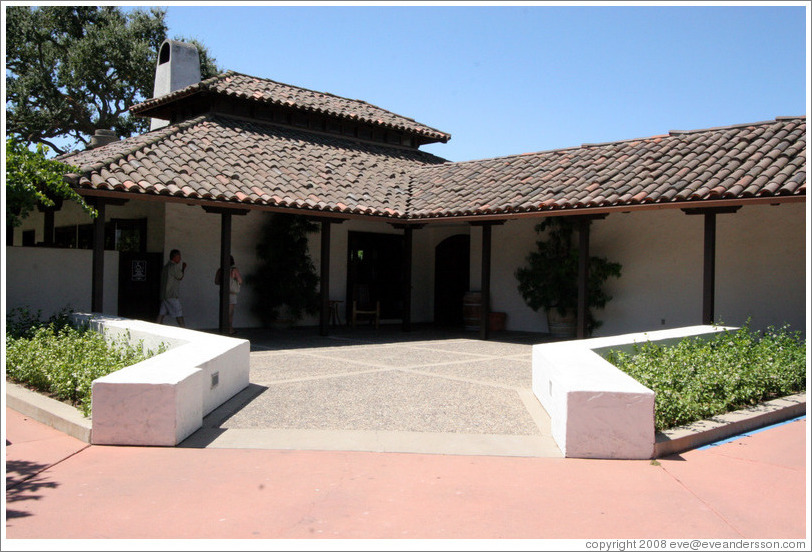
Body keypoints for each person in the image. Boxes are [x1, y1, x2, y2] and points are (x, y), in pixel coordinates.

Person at [157, 249, 187, 327]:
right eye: (179, 257)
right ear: (175, 257)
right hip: (172, 295)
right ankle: (184, 329)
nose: (180, 259)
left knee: (161, 313)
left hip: (164, 295)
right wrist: (183, 268)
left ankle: (156, 327)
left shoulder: (166, 266)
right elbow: (180, 276)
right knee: (179, 313)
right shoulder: (174, 266)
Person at [215, 255, 243, 335]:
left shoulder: (220, 270)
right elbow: (240, 281)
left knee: (224, 311)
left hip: (223, 293)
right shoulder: (234, 270)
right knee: (230, 313)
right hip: (231, 294)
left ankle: (223, 329)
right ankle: (229, 329)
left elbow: (216, 281)